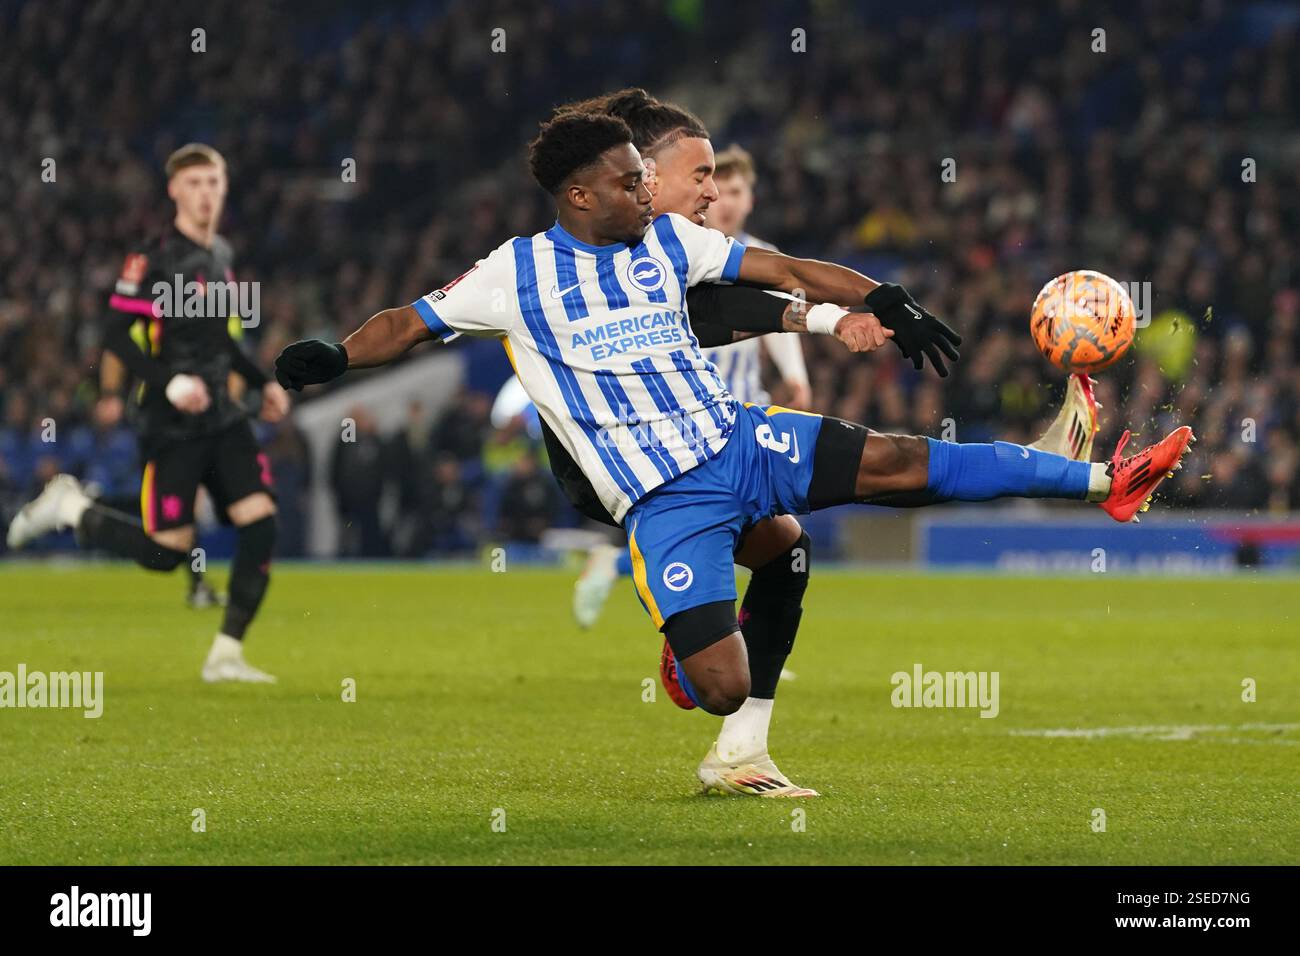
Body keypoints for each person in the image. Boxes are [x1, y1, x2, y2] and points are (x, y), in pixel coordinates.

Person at [274, 110, 1193, 796]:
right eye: (633, 181)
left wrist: (884, 297)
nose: (652, 191)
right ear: (580, 195)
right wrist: (336, 354)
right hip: (664, 501)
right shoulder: (515, 273)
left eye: (650, 176)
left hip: (740, 440)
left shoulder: (669, 241)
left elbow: (787, 271)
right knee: (720, 684)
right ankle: (704, 681)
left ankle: (1105, 479)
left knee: (904, 461)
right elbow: (409, 322)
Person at [7, 144, 287, 683]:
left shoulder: (220, 256)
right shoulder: (153, 256)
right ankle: (72, 510)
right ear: (174, 190)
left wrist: (260, 384)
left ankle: (226, 654)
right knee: (166, 553)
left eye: (214, 182)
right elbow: (115, 335)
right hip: (169, 421)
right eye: (195, 183)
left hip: (223, 417)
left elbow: (219, 342)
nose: (206, 193)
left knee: (261, 522)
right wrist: (170, 381)